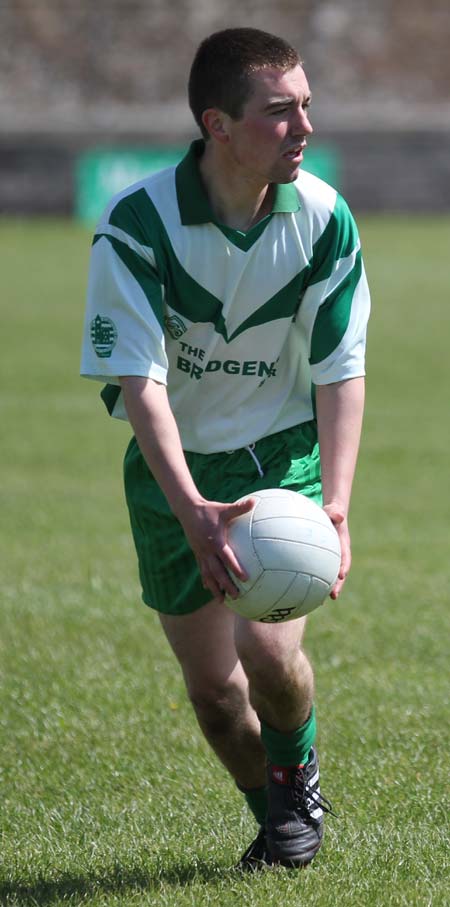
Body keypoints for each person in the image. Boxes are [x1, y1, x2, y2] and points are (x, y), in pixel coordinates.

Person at [81, 27, 370, 871]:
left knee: (272, 653)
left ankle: (293, 795)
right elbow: (144, 387)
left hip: (279, 455)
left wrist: (338, 502)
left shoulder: (322, 217)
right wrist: (192, 511)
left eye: (307, 105)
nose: (304, 126)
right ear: (218, 124)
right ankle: (279, 803)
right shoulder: (139, 224)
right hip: (179, 470)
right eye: (280, 112)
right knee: (215, 695)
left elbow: (340, 370)